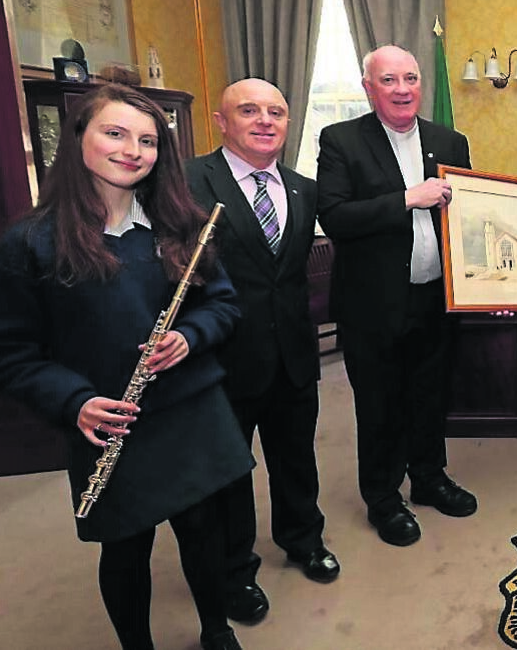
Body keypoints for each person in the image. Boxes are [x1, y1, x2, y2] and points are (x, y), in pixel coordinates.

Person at [0, 84, 252, 650]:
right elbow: (8, 353)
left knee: (204, 529)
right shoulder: (31, 242)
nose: (133, 150)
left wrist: (189, 335)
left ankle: (216, 629)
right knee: (127, 546)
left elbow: (222, 304)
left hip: (191, 410)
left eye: (148, 141)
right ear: (79, 138)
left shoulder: (180, 225)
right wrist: (73, 401)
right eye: (115, 133)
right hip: (111, 423)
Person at [185, 78, 340, 624]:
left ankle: (304, 540)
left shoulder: (303, 188)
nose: (265, 121)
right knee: (230, 473)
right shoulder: (189, 182)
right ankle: (235, 571)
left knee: (296, 457)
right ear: (221, 121)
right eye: (249, 110)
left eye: (276, 111)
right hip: (223, 357)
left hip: (293, 352)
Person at [316, 45, 476, 547]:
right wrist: (408, 198)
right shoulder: (341, 140)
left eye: (410, 78)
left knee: (430, 397)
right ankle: (383, 499)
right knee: (379, 405)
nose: (402, 89)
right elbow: (335, 217)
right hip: (372, 305)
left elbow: (467, 219)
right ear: (369, 87)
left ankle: (428, 478)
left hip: (434, 299)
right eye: (389, 80)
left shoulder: (450, 141)